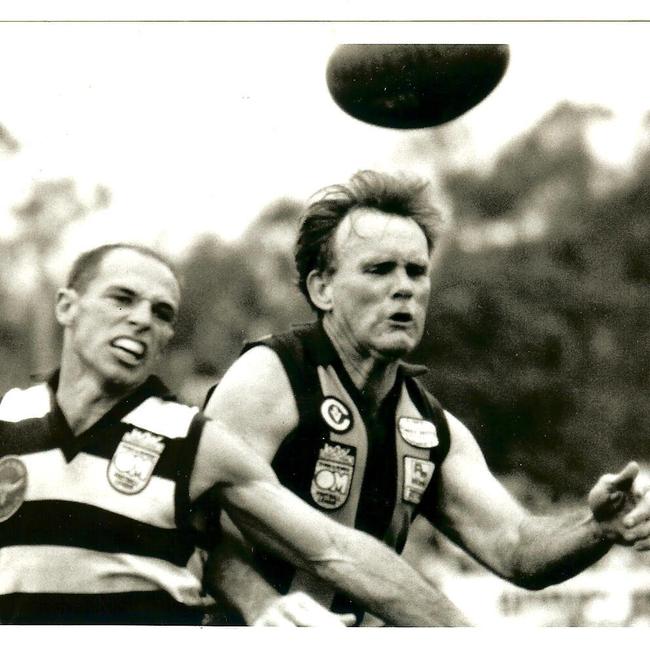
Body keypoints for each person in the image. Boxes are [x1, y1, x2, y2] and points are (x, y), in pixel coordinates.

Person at [203, 169, 650, 626]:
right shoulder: (272, 377)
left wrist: (597, 529)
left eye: (416, 271)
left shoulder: (427, 425)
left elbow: (516, 548)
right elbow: (192, 523)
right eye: (379, 269)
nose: (405, 287)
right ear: (322, 288)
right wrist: (263, 606)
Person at [0, 242, 470, 626]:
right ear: (67, 306)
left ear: (168, 338)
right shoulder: (7, 421)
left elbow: (334, 549)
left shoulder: (192, 440)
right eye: (122, 299)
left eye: (162, 313)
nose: (142, 319)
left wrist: (466, 637)